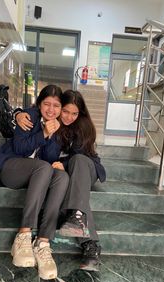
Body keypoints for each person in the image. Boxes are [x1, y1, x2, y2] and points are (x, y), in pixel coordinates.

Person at [16, 89, 106, 271]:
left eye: (75, 113)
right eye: (65, 111)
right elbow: (36, 112)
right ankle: (89, 242)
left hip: (86, 170)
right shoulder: (50, 123)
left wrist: (63, 164)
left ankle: (79, 222)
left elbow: (79, 156)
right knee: (70, 187)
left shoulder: (84, 127)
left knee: (78, 162)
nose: (69, 117)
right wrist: (17, 114)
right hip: (65, 175)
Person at [0, 85, 69, 280]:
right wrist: (43, 134)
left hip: (37, 175)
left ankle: (43, 242)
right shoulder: (29, 116)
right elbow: (19, 147)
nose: (51, 110)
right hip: (11, 169)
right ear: (39, 104)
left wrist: (52, 136)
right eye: (47, 104)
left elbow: (49, 158)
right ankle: (23, 235)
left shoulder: (58, 127)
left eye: (56, 106)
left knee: (62, 177)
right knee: (43, 167)